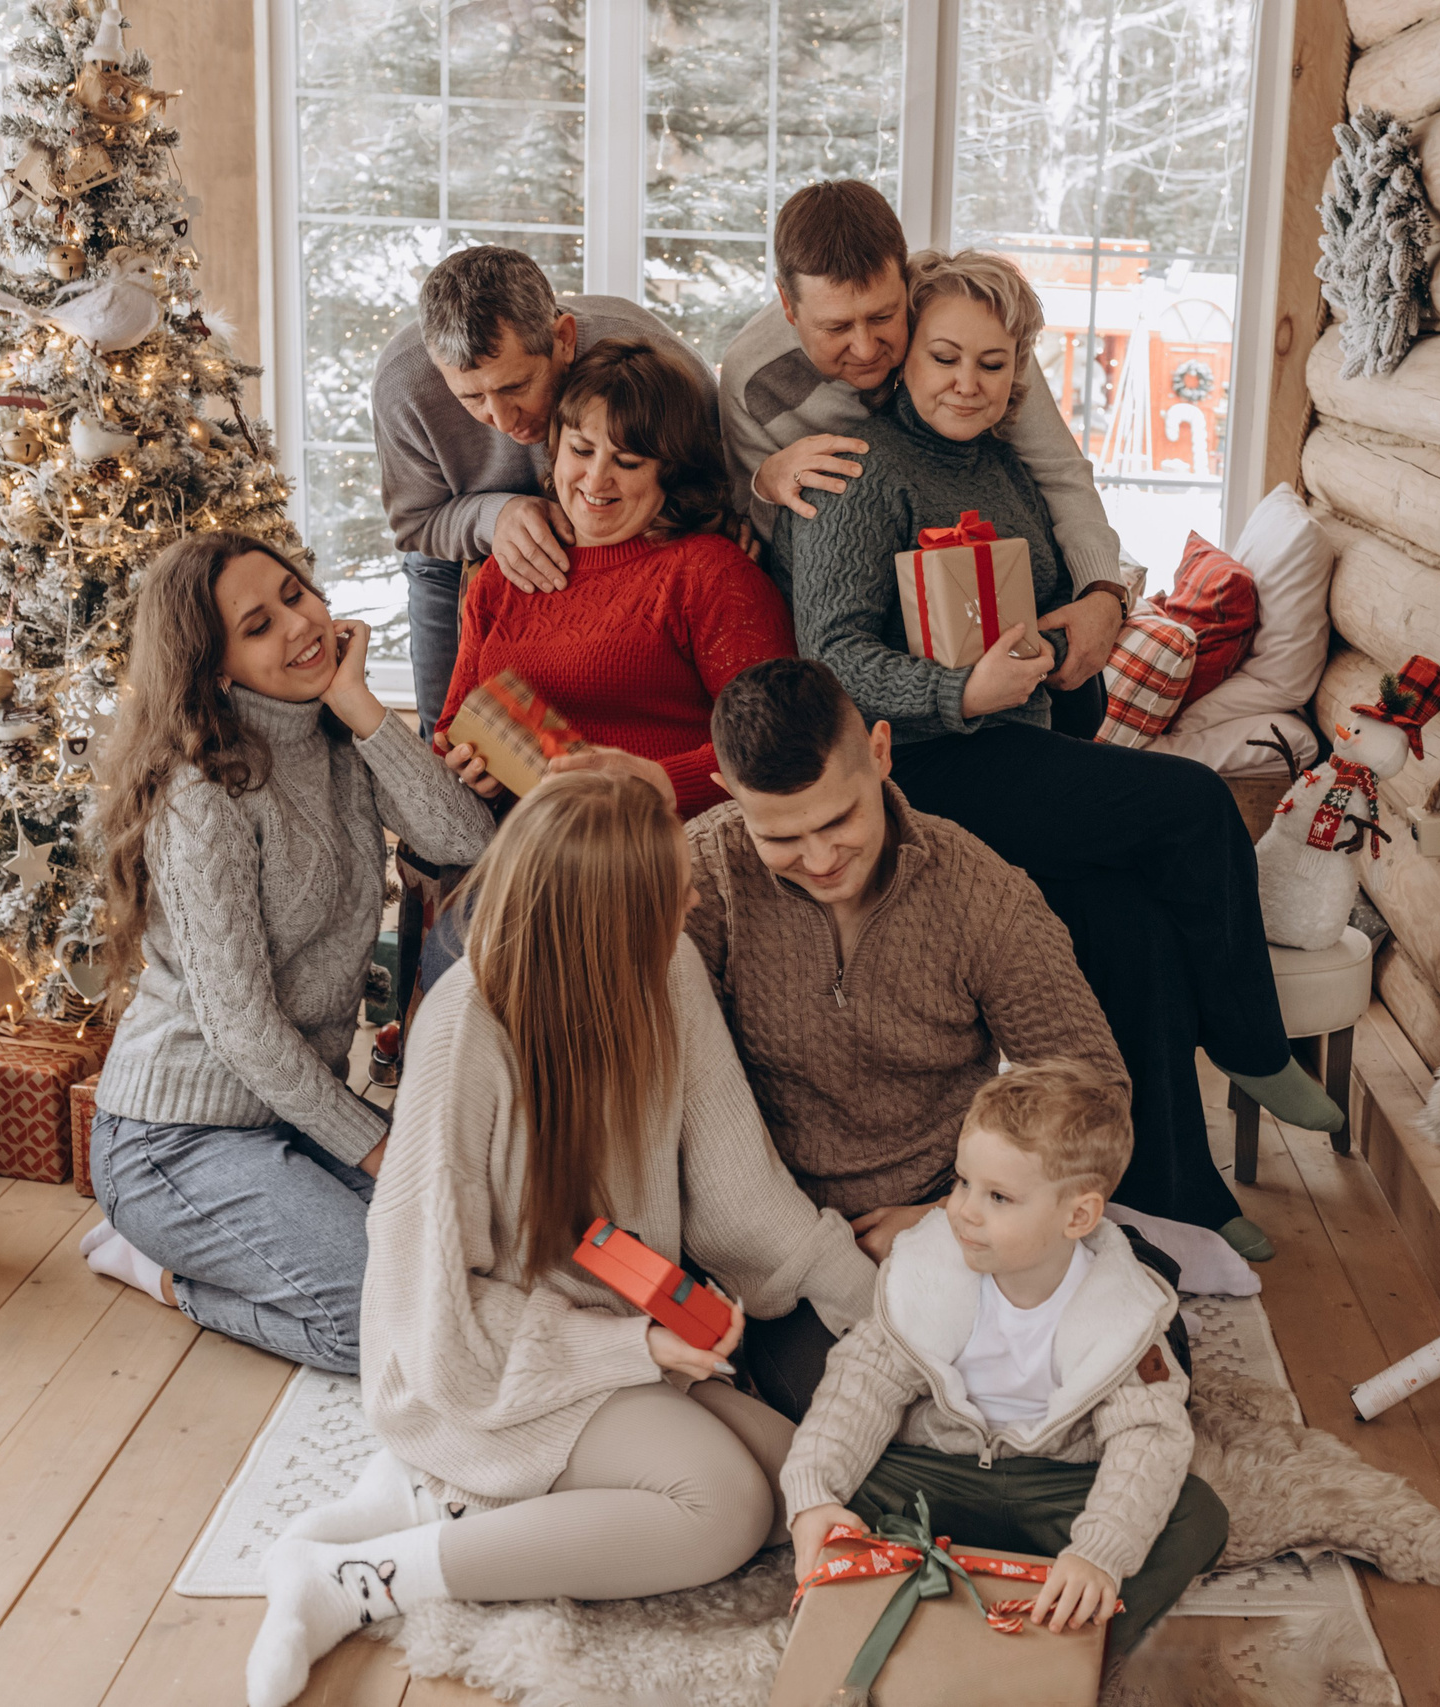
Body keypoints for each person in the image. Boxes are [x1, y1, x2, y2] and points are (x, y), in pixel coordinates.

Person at [245, 772, 877, 1707]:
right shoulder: (468, 1027)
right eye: (674, 890)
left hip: (619, 1340)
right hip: (486, 1360)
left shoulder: (666, 969)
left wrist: (892, 1318)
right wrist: (626, 1346)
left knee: (805, 1476)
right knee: (725, 1507)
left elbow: (741, 1196)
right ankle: (365, 1576)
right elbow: (432, 1305)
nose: (695, 899)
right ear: (609, 918)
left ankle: (438, 1496)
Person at [776, 249, 1348, 1261]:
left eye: (992, 365)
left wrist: (1079, 621)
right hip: (926, 768)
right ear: (904, 352)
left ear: (1017, 372)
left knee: (1133, 933)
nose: (966, 382)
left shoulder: (1005, 467)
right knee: (1194, 805)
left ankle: (1183, 1194)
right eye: (945, 356)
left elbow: (1055, 581)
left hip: (1022, 752)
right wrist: (958, 692)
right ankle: (1256, 1044)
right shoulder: (856, 467)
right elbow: (832, 657)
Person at [83, 531, 495, 1372]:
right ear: (217, 664)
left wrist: (363, 708)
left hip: (284, 1120)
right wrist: (376, 1144)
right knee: (388, 1324)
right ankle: (158, 1271)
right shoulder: (203, 790)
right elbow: (239, 1025)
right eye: (259, 624)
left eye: (296, 594)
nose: (301, 626)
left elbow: (467, 840)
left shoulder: (339, 738)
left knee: (462, 1262)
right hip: (173, 1140)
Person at [687, 656, 1128, 1416]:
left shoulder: (982, 893)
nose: (821, 860)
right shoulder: (705, 873)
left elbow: (1093, 1089)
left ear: (882, 753)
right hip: (785, 1244)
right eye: (783, 837)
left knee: (1133, 1349)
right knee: (867, 1414)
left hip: (953, 1213)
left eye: (838, 819)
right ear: (732, 797)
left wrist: (951, 1214)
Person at [781, 1060, 1229, 1659]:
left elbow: (1148, 1438)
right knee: (828, 1483)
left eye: (998, 1196)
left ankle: (1065, 1647)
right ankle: (906, 1620)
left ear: (1078, 1216)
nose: (965, 1210)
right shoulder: (925, 1277)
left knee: (1195, 1515)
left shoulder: (1124, 1315)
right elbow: (860, 1384)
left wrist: (1098, 1552)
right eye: (963, 1183)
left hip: (1059, 1486)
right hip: (942, 1473)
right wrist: (816, 1494)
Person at [717, 180, 1131, 737]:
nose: (865, 349)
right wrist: (766, 482)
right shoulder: (753, 379)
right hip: (897, 698)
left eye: (884, 317)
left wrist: (1105, 595)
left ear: (907, 284)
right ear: (789, 307)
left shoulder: (966, 330)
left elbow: (1060, 471)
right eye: (837, 327)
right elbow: (774, 544)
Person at [432, 338, 795, 820]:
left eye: (627, 462)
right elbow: (451, 728)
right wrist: (467, 767)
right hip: (533, 849)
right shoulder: (505, 573)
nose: (596, 480)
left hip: (662, 847)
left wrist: (661, 783)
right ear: (555, 449)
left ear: (669, 471)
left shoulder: (709, 573)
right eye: (581, 450)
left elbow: (779, 739)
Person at [376, 243, 717, 730]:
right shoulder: (403, 385)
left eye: (516, 387)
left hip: (622, 533)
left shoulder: (655, 361)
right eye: (471, 398)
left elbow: (707, 477)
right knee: (447, 740)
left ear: (564, 338)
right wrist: (496, 517)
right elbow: (414, 524)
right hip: (452, 559)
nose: (500, 420)